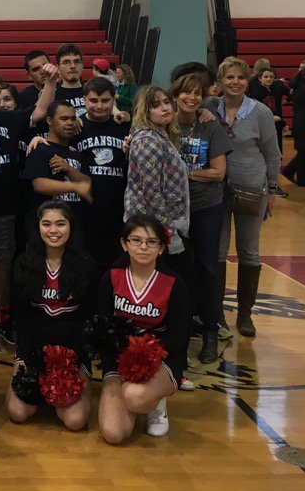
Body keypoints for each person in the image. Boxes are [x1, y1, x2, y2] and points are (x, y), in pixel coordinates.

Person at [0, 68, 55, 342]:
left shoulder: (10, 119)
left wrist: (51, 81)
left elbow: (42, 109)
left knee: (2, 266)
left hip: (5, 208)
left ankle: (3, 320)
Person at [204, 57, 281, 339]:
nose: (234, 82)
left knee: (249, 251)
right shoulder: (209, 107)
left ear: (247, 81)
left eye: (239, 77)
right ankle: (218, 313)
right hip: (216, 190)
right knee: (218, 251)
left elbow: (272, 154)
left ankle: (246, 313)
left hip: (251, 190)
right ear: (220, 82)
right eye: (229, 77)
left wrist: (272, 190)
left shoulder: (259, 112)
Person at [97, 215, 190, 443]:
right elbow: (102, 327)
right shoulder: (110, 278)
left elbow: (179, 337)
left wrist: (146, 358)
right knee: (114, 434)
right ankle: (132, 398)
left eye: (151, 242)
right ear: (124, 244)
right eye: (136, 240)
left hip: (160, 360)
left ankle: (156, 402)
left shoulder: (174, 284)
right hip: (119, 361)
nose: (143, 247)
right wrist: (120, 361)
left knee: (135, 395)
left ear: (161, 248)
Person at [7, 201, 97, 430]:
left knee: (75, 421)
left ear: (71, 227)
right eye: (46, 224)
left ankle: (63, 393)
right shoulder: (24, 263)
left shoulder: (86, 265)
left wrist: (71, 362)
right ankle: (45, 391)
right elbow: (20, 317)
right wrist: (29, 359)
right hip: (33, 352)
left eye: (60, 224)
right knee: (18, 413)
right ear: (37, 227)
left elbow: (87, 320)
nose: (53, 230)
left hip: (71, 354)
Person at [171, 71, 230, 363]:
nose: (192, 98)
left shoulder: (210, 125)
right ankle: (180, 330)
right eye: (187, 92)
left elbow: (219, 172)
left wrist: (183, 173)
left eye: (198, 93)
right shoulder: (164, 124)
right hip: (173, 208)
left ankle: (210, 331)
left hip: (206, 207)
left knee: (208, 269)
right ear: (175, 95)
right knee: (179, 270)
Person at [124, 85, 192, 327]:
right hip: (151, 229)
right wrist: (168, 235)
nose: (164, 107)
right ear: (145, 110)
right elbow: (152, 193)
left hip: (161, 226)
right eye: (156, 104)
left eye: (166, 102)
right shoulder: (148, 140)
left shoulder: (159, 136)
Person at [72, 77, 131, 272]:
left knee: (115, 265)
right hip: (84, 210)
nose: (99, 106)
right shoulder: (75, 128)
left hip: (117, 208)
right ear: (83, 100)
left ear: (114, 100)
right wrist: (38, 139)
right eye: (93, 100)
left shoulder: (124, 126)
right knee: (85, 265)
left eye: (105, 101)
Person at [22, 101, 92, 223]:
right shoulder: (40, 150)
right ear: (49, 121)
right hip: (45, 224)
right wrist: (74, 186)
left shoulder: (76, 153)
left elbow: (87, 184)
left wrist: (69, 169)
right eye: (64, 119)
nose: (70, 123)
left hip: (74, 223)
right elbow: (39, 185)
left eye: (73, 118)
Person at [54, 43, 87, 117]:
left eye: (77, 61)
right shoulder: (52, 94)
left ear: (82, 65)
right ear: (58, 68)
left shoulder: (92, 91)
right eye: (66, 62)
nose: (73, 66)